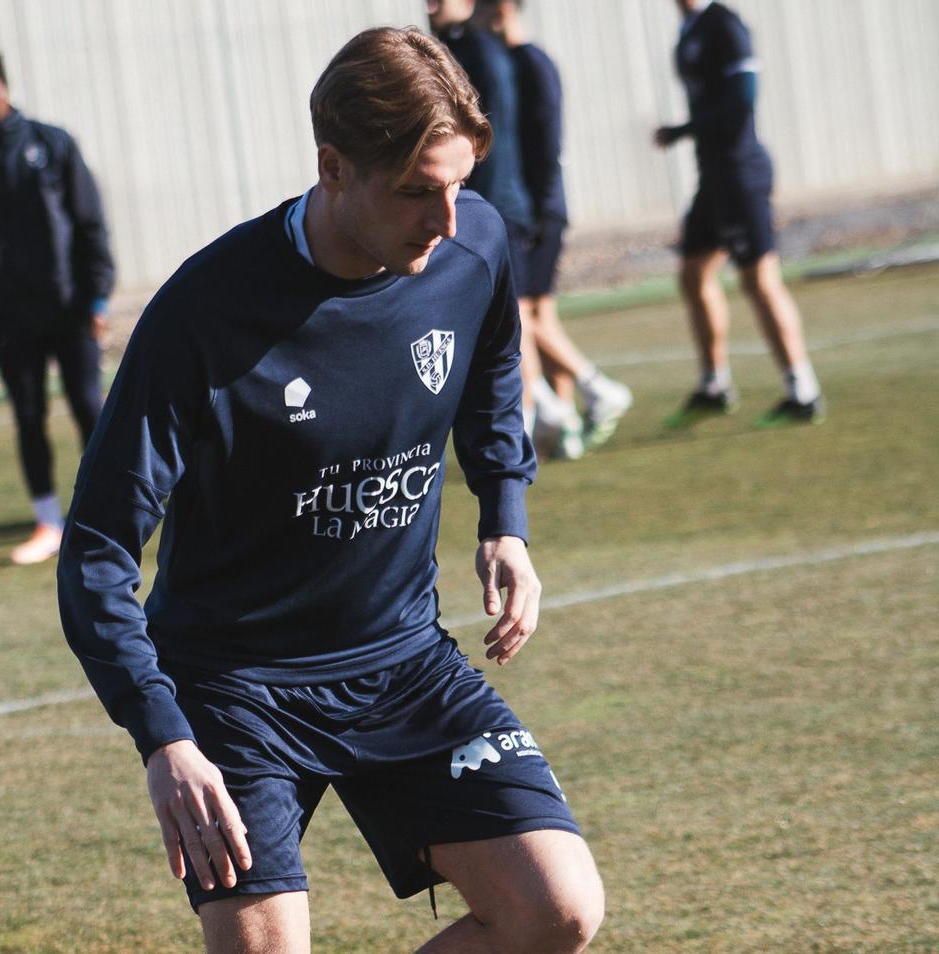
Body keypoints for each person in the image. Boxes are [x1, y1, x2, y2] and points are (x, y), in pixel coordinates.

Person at [57, 26, 603, 953]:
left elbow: (496, 367)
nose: (445, 216)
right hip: (237, 687)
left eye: (459, 185)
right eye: (417, 191)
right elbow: (98, 549)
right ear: (334, 166)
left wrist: (504, 515)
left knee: (556, 912)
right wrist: (165, 739)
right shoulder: (206, 313)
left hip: (402, 661)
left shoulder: (471, 246)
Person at [429, 0, 632, 460]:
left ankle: (567, 403)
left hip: (519, 207)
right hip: (522, 204)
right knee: (530, 316)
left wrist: (526, 209)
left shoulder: (494, 55)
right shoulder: (491, 53)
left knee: (516, 319)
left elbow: (532, 141)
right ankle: (560, 415)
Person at [0, 47, 115, 565]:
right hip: (14, 318)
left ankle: (111, 512)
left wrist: (99, 293)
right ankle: (48, 524)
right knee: (29, 416)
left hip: (70, 306)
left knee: (91, 409)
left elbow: (89, 223)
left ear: (6, 86)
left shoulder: (51, 144)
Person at [655, 0, 824, 426]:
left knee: (759, 279)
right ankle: (715, 385)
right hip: (712, 175)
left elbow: (741, 101)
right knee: (694, 273)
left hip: (739, 172)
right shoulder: (691, 29)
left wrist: (682, 130)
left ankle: (802, 391)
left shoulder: (725, 25)